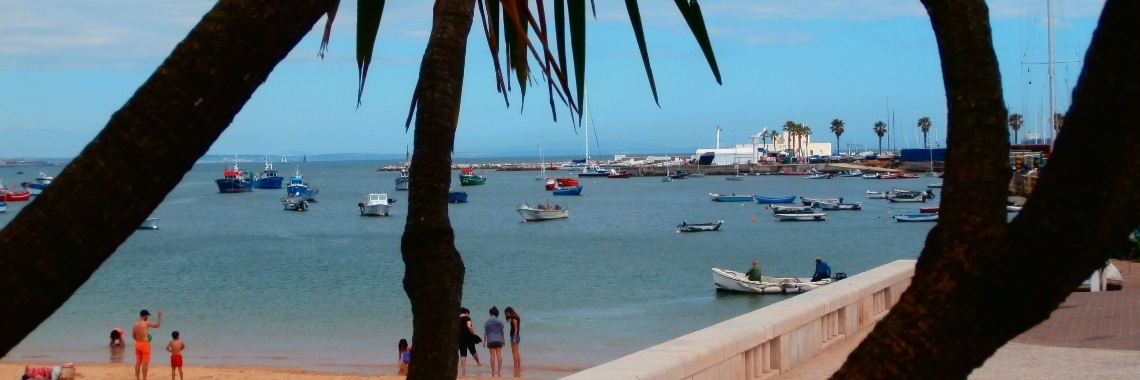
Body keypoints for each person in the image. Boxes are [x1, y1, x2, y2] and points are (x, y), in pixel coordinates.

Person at [133, 309, 162, 380]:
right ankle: (144, 379)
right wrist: (159, 316)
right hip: (144, 344)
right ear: (145, 315)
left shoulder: (135, 324)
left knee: (138, 362)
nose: (147, 317)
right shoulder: (146, 323)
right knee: (145, 363)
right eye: (147, 316)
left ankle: (137, 378)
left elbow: (133, 336)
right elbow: (157, 325)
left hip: (137, 344)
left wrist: (139, 339)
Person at [483, 306, 506, 376]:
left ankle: (493, 370)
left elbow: (486, 333)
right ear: (497, 313)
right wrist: (503, 340)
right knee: (499, 355)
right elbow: (502, 332)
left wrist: (484, 341)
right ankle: (499, 370)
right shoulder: (500, 322)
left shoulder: (487, 322)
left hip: (491, 340)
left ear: (490, 313)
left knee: (492, 356)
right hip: (499, 340)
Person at [457, 307, 481, 371]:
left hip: (460, 338)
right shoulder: (467, 318)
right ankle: (478, 363)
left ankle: (463, 368)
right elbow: (469, 327)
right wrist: (474, 334)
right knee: (473, 350)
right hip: (469, 337)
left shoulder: (457, 319)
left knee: (463, 353)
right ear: (466, 313)